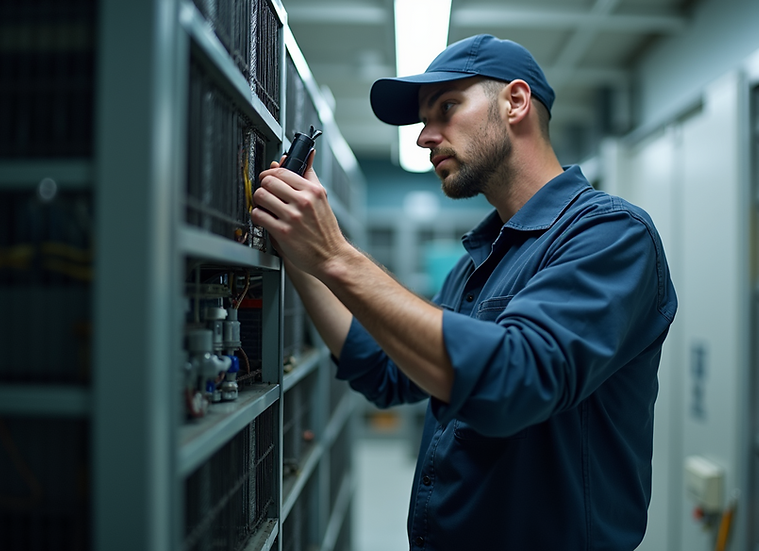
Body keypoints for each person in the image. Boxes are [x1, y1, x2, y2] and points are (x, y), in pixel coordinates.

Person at [252, 34, 677, 551]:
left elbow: (515, 382)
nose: (424, 137)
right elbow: (386, 369)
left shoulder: (610, 235)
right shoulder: (480, 260)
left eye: (447, 107)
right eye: (423, 120)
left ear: (515, 102)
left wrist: (337, 256)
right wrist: (301, 257)